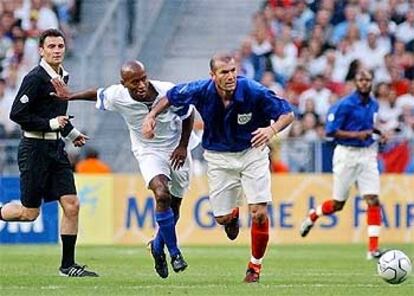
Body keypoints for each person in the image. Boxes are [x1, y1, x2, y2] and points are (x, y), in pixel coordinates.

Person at [142, 53, 294, 283]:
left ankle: (254, 267)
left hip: (252, 152)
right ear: (213, 76)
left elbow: (287, 114)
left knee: (259, 213)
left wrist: (271, 131)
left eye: (233, 71)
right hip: (218, 158)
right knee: (223, 220)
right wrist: (151, 115)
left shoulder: (253, 91)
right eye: (224, 72)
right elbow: (171, 97)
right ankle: (231, 214)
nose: (231, 76)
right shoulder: (201, 90)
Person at [51, 60, 196, 279]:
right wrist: (70, 96)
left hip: (177, 148)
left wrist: (183, 146)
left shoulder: (167, 90)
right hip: (148, 151)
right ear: (124, 84)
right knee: (161, 193)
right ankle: (175, 253)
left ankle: (157, 248)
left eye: (143, 78)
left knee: (174, 206)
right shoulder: (117, 95)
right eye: (134, 81)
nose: (141, 85)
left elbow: (188, 114)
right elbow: (96, 94)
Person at [0, 29, 97, 277]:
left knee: (72, 205)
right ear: (41, 50)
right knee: (29, 213)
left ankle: (67, 266)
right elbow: (17, 115)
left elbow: (56, 115)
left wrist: (72, 133)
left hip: (56, 149)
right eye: (51, 46)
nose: (57, 50)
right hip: (34, 149)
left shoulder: (63, 75)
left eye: (60, 46)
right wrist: (52, 124)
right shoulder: (35, 78)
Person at [299, 69, 387, 260]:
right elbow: (330, 132)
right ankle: (314, 214)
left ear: (371, 82)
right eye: (361, 79)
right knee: (338, 204)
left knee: (373, 199)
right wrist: (357, 135)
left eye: (368, 80)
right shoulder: (344, 105)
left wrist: (380, 133)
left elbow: (370, 127)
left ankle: (373, 249)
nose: (364, 83)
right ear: (355, 82)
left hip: (367, 154)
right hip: (346, 154)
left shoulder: (374, 104)